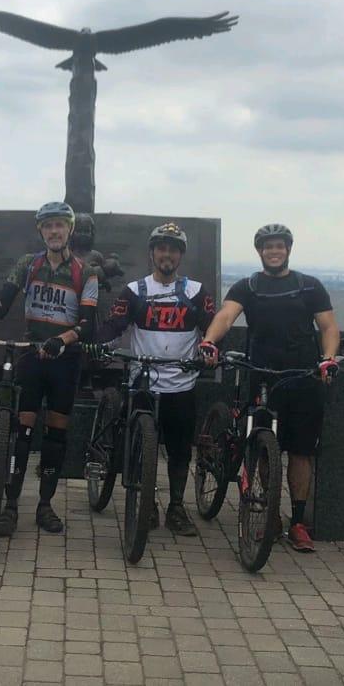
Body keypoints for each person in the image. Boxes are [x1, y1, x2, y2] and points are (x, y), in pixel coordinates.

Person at [200, 223, 340, 552]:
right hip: (260, 374)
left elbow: (329, 325)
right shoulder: (248, 285)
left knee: (302, 452)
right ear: (259, 251)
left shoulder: (309, 286)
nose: (274, 251)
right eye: (268, 247)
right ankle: (273, 517)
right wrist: (208, 340)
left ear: (288, 250)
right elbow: (226, 316)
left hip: (304, 376)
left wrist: (329, 358)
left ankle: (298, 523)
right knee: (264, 447)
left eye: (279, 246)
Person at [0, 201, 99, 535]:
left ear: (70, 230)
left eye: (60, 225)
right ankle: (11, 505)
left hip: (65, 359)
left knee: (56, 436)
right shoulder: (28, 264)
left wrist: (64, 339)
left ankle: (45, 505)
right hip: (32, 354)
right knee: (22, 433)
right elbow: (4, 298)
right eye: (48, 226)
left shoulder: (86, 273)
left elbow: (88, 323)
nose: (54, 232)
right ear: (40, 231)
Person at [86, 222, 216, 536]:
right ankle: (145, 503)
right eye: (161, 248)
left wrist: (211, 350)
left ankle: (175, 506)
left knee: (180, 451)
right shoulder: (134, 291)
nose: (166, 254)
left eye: (173, 249)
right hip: (142, 382)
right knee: (138, 447)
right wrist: (98, 344)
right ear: (152, 253)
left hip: (181, 384)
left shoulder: (196, 292)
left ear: (180, 256)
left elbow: (213, 328)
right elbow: (114, 325)